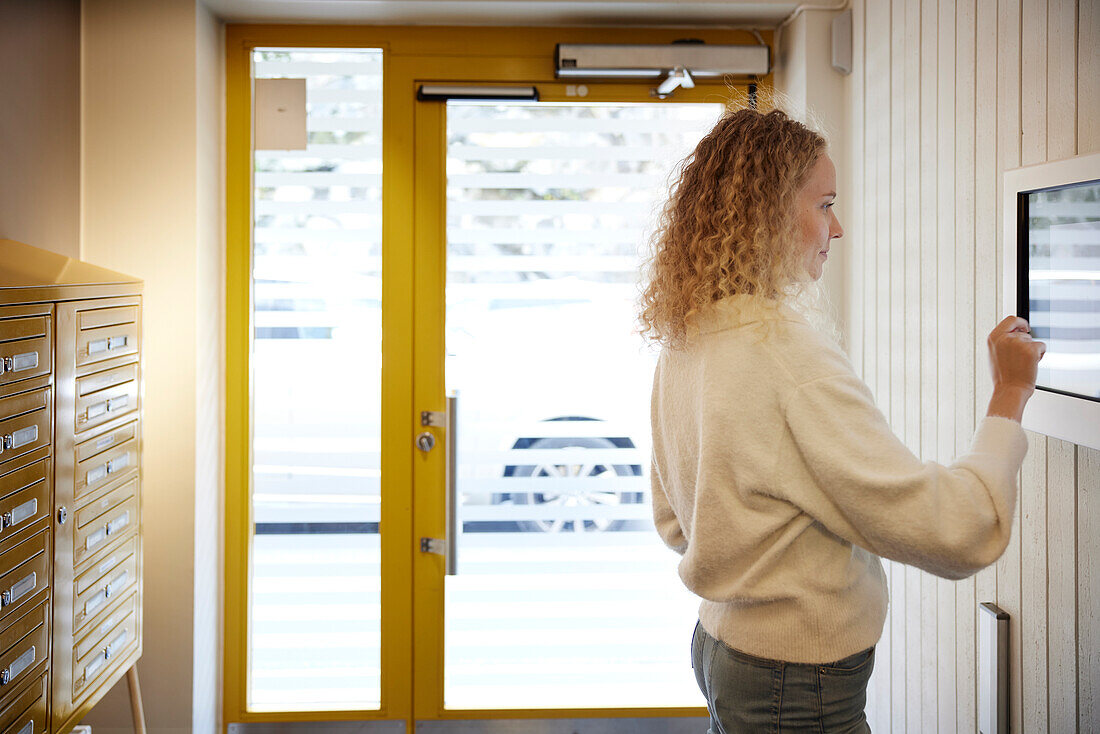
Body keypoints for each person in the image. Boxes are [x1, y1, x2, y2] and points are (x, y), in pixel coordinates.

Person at [637, 106, 1045, 733]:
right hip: (795, 684)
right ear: (768, 215)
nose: (839, 227)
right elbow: (960, 531)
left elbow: (675, 521)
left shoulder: (690, 337)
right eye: (824, 204)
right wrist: (1010, 393)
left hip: (723, 650)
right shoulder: (784, 355)